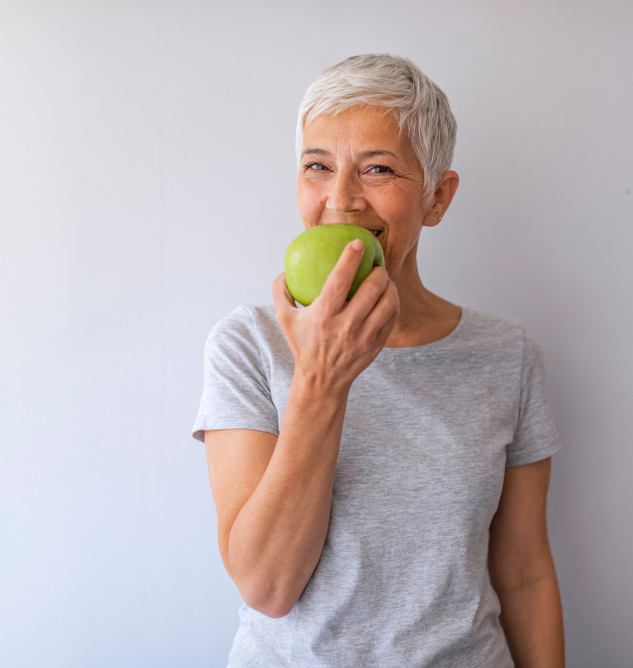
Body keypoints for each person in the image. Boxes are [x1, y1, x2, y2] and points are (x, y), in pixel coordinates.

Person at [193, 54, 564, 668]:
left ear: (437, 198)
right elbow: (267, 587)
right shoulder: (246, 344)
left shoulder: (508, 355)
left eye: (377, 168)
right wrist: (320, 379)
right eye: (318, 166)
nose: (341, 199)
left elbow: (524, 575)